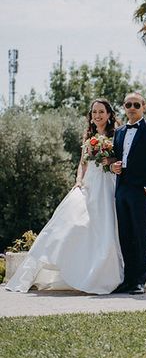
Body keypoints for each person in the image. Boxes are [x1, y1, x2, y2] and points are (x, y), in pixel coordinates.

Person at [6, 99, 125, 294]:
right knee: (71, 223)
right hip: (88, 184)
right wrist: (78, 180)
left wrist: (109, 161)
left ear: (109, 114)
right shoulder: (88, 134)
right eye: (94, 112)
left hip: (106, 184)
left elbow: (118, 159)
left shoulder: (117, 134)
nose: (97, 115)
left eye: (101, 112)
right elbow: (82, 162)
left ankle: (104, 275)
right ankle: (77, 270)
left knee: (106, 227)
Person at [110, 92, 146, 295]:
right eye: (128, 104)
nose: (131, 108)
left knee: (140, 235)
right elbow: (117, 159)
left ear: (144, 107)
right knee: (125, 235)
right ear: (124, 107)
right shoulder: (119, 132)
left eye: (136, 104)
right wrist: (112, 167)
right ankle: (129, 279)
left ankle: (140, 281)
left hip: (140, 191)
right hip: (121, 189)